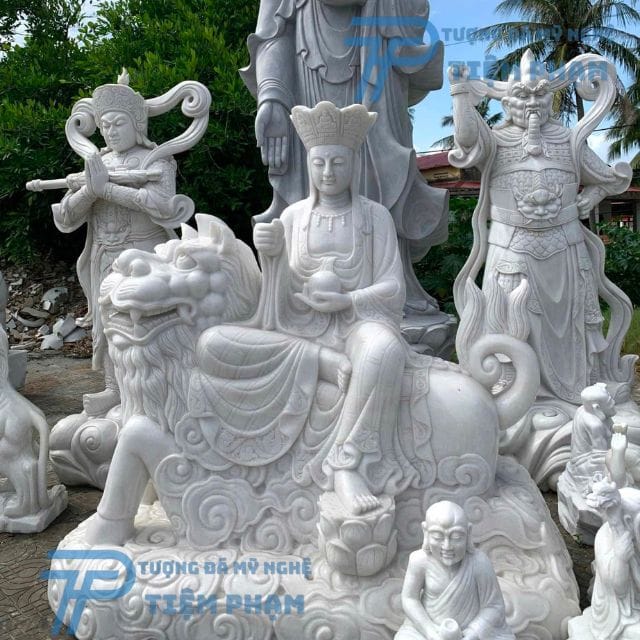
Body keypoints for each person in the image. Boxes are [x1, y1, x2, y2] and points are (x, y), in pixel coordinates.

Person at [194, 101, 413, 515]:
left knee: (384, 350)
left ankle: (348, 464)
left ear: (354, 165)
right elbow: (276, 297)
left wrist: (349, 299)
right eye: (319, 163)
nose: (328, 172)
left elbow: (393, 287)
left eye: (338, 162)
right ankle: (320, 360)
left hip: (356, 324)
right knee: (211, 342)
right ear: (309, 166)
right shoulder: (293, 217)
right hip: (298, 328)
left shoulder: (375, 217)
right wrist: (272, 257)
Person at [450, 50, 634, 406]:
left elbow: (609, 179)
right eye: (523, 96)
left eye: (541, 95)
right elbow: (467, 140)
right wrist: (459, 93)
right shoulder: (497, 140)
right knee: (513, 323)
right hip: (512, 250)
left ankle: (580, 389)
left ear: (551, 99)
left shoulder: (569, 140)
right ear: (506, 102)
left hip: (566, 249)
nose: (532, 103)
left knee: (571, 327)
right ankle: (517, 396)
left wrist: (591, 195)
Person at [240, 0, 448, 312]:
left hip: (377, 54)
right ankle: (298, 291)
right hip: (305, 61)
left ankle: (389, 287)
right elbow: (272, 34)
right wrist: (272, 96)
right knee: (315, 173)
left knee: (384, 172)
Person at [53, 73, 189, 417]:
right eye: (105, 125)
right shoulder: (98, 162)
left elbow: (163, 205)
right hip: (104, 257)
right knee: (107, 326)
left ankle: (159, 389)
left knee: (145, 325)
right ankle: (114, 389)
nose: (111, 131)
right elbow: (66, 216)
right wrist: (90, 189)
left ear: (136, 124)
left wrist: (109, 190)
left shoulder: (156, 160)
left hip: (145, 255)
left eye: (119, 124)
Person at [395, 501, 514, 640]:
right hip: (428, 629)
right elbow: (410, 599)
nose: (447, 546)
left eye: (456, 537)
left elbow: (494, 606)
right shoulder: (419, 561)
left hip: (470, 631)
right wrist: (429, 630)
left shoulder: (479, 562)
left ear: (468, 533)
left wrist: (474, 632)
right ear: (425, 532)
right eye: (438, 537)